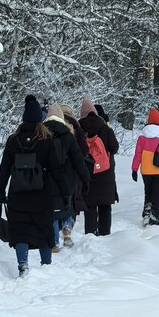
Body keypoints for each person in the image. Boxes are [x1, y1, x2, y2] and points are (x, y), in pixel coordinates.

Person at [0, 95, 68, 276]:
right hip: (42, 194)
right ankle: (46, 266)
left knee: (21, 230)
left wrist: (0, 191)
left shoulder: (13, 140)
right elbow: (56, 169)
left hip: (17, 193)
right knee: (44, 229)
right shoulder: (46, 141)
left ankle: (23, 264)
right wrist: (65, 192)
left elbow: (4, 168)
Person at [43, 103, 90, 250]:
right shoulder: (68, 135)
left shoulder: (41, 135)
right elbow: (78, 159)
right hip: (67, 178)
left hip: (47, 178)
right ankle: (67, 231)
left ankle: (54, 242)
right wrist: (86, 179)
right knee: (67, 206)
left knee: (51, 209)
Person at [78, 98, 119, 235]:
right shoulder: (105, 128)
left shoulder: (79, 129)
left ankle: (91, 234)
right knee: (105, 205)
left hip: (88, 172)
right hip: (105, 173)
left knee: (90, 205)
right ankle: (105, 233)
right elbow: (114, 147)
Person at [131, 108, 159, 226]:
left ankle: (147, 213)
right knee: (158, 194)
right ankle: (154, 218)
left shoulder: (142, 134)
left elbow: (137, 154)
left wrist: (134, 169)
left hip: (146, 170)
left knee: (148, 191)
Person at [59, 103, 92, 247]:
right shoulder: (77, 128)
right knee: (71, 201)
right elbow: (84, 150)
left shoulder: (51, 126)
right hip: (73, 171)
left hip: (55, 170)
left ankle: (56, 230)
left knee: (57, 200)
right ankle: (67, 228)